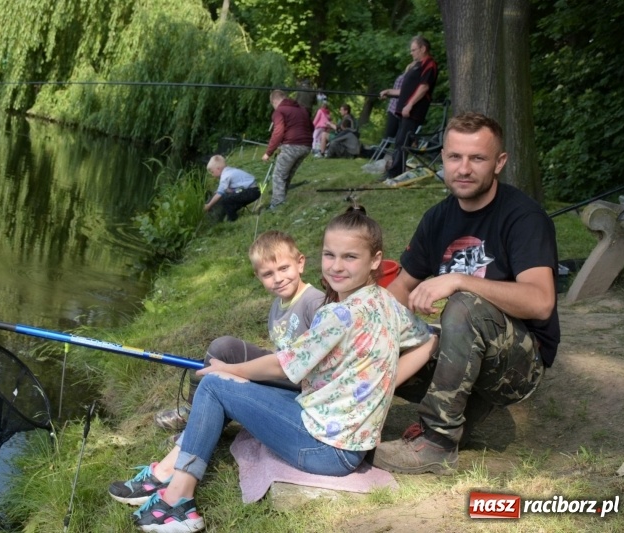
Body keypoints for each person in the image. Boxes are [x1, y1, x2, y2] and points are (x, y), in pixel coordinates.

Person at [109, 206, 438, 532]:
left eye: (350, 257)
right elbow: (426, 340)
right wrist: (388, 380)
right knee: (226, 382)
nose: (337, 266)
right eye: (330, 255)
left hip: (326, 450)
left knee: (214, 385)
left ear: (375, 260)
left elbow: (283, 366)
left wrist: (232, 370)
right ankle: (168, 474)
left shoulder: (337, 315)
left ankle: (178, 503)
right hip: (347, 442)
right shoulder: (386, 302)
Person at [373, 112, 560, 475]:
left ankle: (437, 443)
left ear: (499, 163)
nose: (463, 168)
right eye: (455, 157)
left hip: (518, 365)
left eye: (477, 158)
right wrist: (359, 327)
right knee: (377, 325)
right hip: (463, 351)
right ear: (443, 158)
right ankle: (347, 409)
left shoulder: (524, 217)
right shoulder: (437, 218)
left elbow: (540, 302)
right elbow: (400, 289)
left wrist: (460, 279)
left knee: (463, 305)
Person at [153, 230, 324, 431]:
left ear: (300, 263)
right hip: (282, 372)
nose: (278, 278)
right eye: (268, 274)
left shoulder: (314, 302)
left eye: (284, 268)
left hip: (304, 385)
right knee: (223, 348)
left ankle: (200, 425)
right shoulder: (277, 306)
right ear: (258, 276)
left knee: (226, 378)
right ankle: (195, 413)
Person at [385, 36, 438, 179]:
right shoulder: (416, 65)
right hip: (404, 110)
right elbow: (407, 90)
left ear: (423, 48)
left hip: (413, 111)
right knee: (399, 141)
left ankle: (394, 173)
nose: (411, 53)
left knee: (403, 142)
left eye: (414, 50)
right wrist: (390, 92)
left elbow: (424, 87)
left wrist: (409, 104)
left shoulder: (429, 64)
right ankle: (394, 171)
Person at [262, 89, 313, 210]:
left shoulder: (279, 111)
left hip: (292, 146)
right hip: (306, 146)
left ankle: (277, 205)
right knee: (287, 174)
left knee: (278, 175)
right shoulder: (302, 109)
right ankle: (281, 200)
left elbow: (278, 132)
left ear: (274, 101)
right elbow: (312, 127)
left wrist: (268, 153)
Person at [203, 155, 260, 222]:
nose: (212, 175)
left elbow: (219, 194)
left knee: (225, 200)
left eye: (212, 172)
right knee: (228, 197)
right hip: (254, 190)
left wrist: (208, 205)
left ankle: (232, 219)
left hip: (251, 192)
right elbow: (223, 190)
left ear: (218, 169)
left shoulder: (225, 176)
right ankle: (229, 215)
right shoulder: (229, 170)